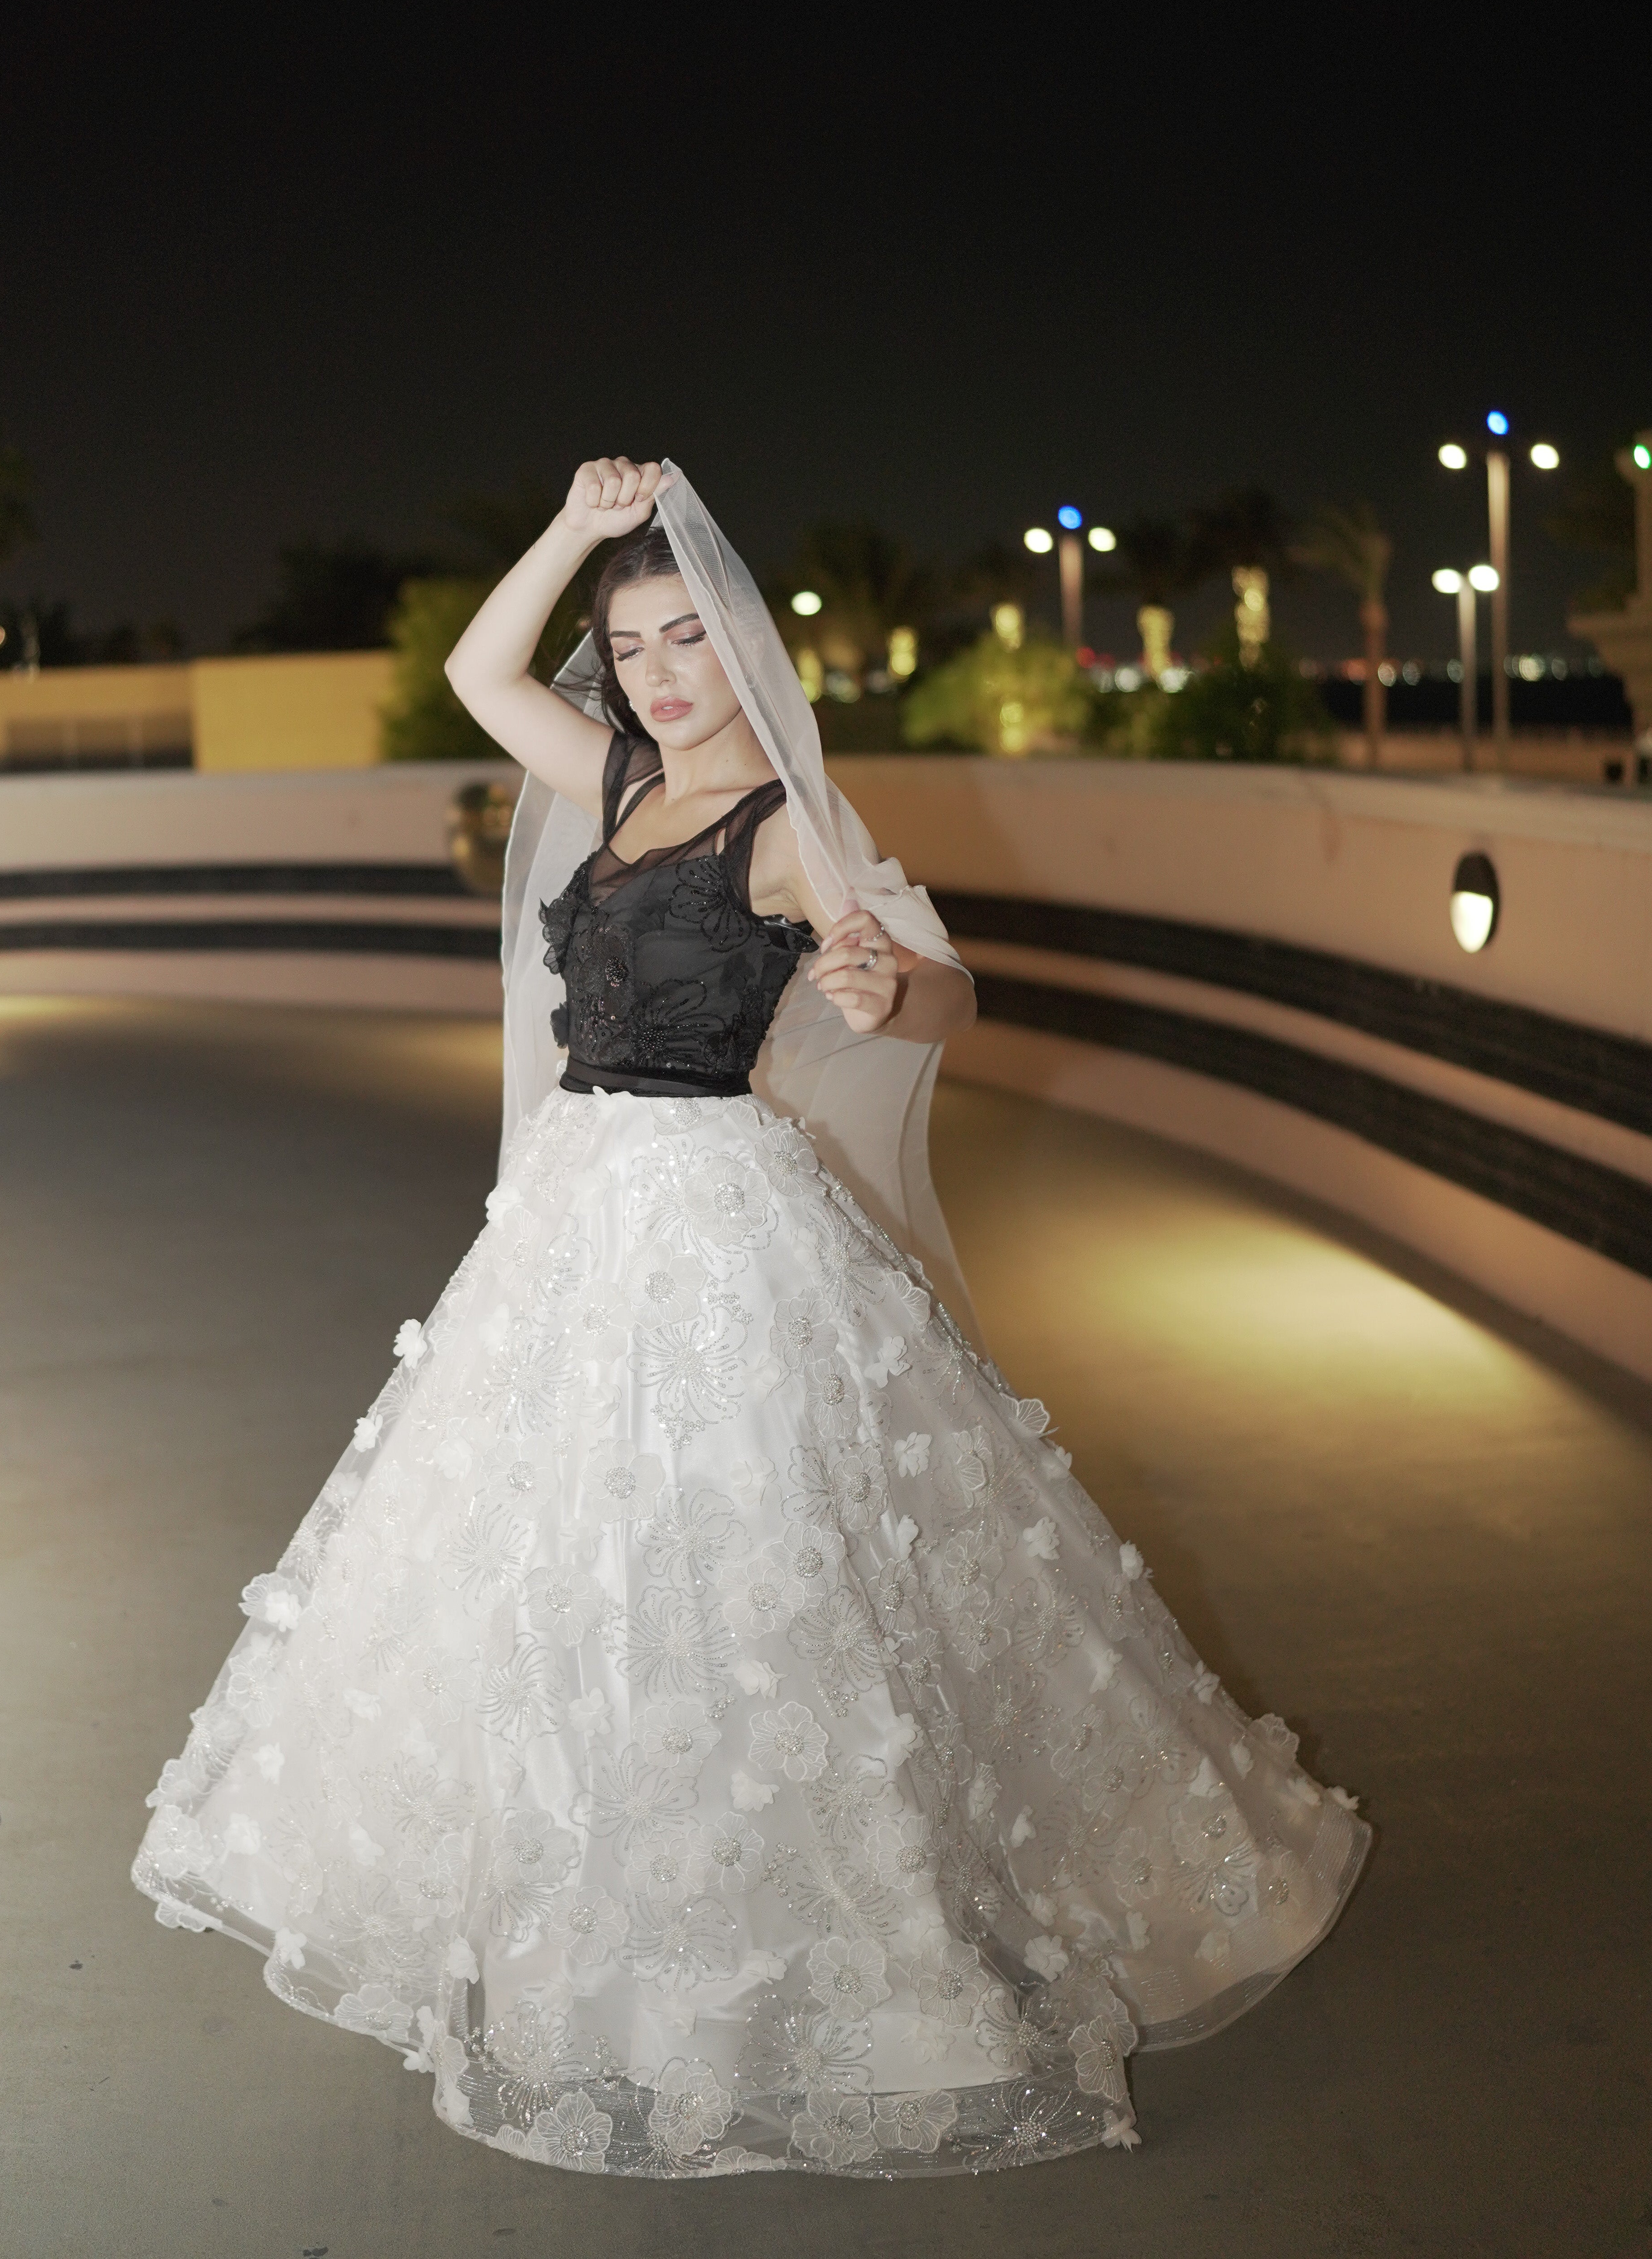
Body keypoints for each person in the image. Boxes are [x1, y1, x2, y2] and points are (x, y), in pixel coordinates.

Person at [133, 459, 1368, 2179]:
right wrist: (570, 533)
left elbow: (948, 986)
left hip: (717, 1221)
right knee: (554, 1545)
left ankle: (778, 1943)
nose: (650, 671)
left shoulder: (791, 821)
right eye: (629, 645)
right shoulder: (618, 777)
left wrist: (882, 984)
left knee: (742, 1552)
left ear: (744, 654)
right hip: (569, 1215)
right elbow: (485, 681)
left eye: (681, 640)